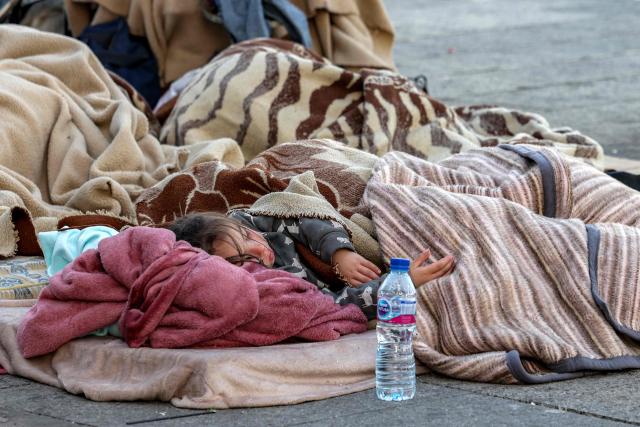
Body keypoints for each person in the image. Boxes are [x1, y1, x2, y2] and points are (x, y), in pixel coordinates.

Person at [167, 211, 455, 320]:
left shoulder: (246, 222)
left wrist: (340, 252)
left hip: (339, 246)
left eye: (246, 237)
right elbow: (334, 304)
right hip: (356, 286)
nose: (260, 248)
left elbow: (301, 216)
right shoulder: (268, 290)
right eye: (245, 259)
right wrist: (399, 285)